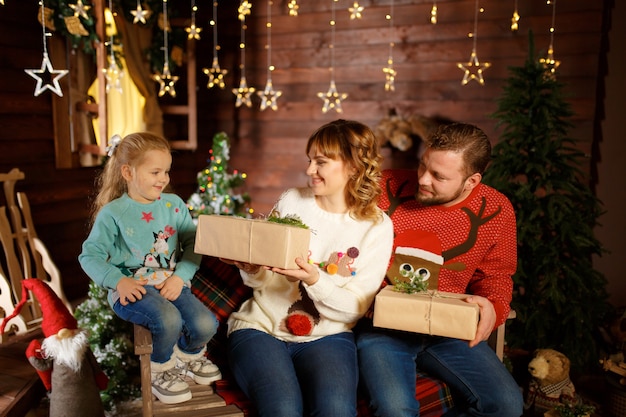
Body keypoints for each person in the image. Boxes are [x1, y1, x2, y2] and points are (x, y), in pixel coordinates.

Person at [225, 119, 394, 417]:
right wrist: (252, 268)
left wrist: (315, 279)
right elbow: (263, 281)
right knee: (284, 409)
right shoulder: (293, 201)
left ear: (354, 167)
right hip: (260, 328)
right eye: (309, 161)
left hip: (329, 336)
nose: (309, 171)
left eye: (321, 162)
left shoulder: (376, 227)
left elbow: (355, 308)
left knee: (337, 411)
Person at [355, 122, 524, 417]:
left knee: (507, 405)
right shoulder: (383, 187)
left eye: (439, 176)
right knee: (395, 409)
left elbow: (496, 276)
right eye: (423, 165)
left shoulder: (497, 209)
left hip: (448, 329)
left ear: (471, 181)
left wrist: (492, 306)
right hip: (382, 326)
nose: (422, 179)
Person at [78, 132, 221, 405]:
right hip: (133, 289)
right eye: (155, 171)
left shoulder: (174, 205)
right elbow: (90, 255)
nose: (163, 178)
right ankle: (161, 369)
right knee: (168, 320)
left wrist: (181, 277)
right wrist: (117, 281)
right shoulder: (114, 213)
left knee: (205, 325)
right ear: (128, 172)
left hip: (172, 284)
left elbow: (193, 244)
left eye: (166, 171)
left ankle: (188, 357)